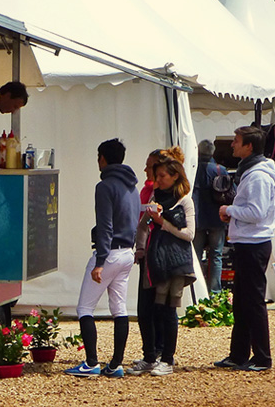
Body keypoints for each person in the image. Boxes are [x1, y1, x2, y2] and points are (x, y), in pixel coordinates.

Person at [64, 139, 140, 378]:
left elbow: (105, 226)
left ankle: (91, 362)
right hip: (128, 252)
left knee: (85, 307)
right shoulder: (133, 187)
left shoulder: (105, 186)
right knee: (119, 308)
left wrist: (100, 262)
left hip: (110, 253)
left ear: (103, 158)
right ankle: (116, 364)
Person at [214, 126, 275, 372]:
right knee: (241, 302)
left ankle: (263, 357)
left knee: (253, 302)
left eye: (236, 141)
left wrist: (228, 210)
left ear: (249, 146)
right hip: (247, 242)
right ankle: (239, 354)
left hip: (254, 243)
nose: (232, 145)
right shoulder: (253, 172)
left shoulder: (258, 176)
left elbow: (256, 212)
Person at [131, 147, 195, 376]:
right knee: (148, 309)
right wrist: (140, 248)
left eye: (161, 176)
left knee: (167, 310)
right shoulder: (155, 197)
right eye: (156, 175)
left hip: (174, 262)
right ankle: (150, 357)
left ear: (175, 175)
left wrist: (162, 223)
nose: (156, 180)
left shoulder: (185, 201)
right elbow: (142, 225)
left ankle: (167, 358)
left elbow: (190, 234)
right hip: (153, 259)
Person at [129, 149, 164, 374]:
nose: (145, 170)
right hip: (146, 252)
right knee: (149, 305)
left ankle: (155, 351)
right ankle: (152, 351)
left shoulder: (159, 194)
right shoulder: (146, 190)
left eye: (149, 166)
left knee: (152, 306)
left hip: (156, 254)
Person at [191, 139, 228, 294]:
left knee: (196, 255)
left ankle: (198, 291)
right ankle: (215, 292)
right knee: (216, 256)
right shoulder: (220, 170)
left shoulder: (192, 169)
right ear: (213, 153)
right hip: (217, 218)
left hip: (197, 218)